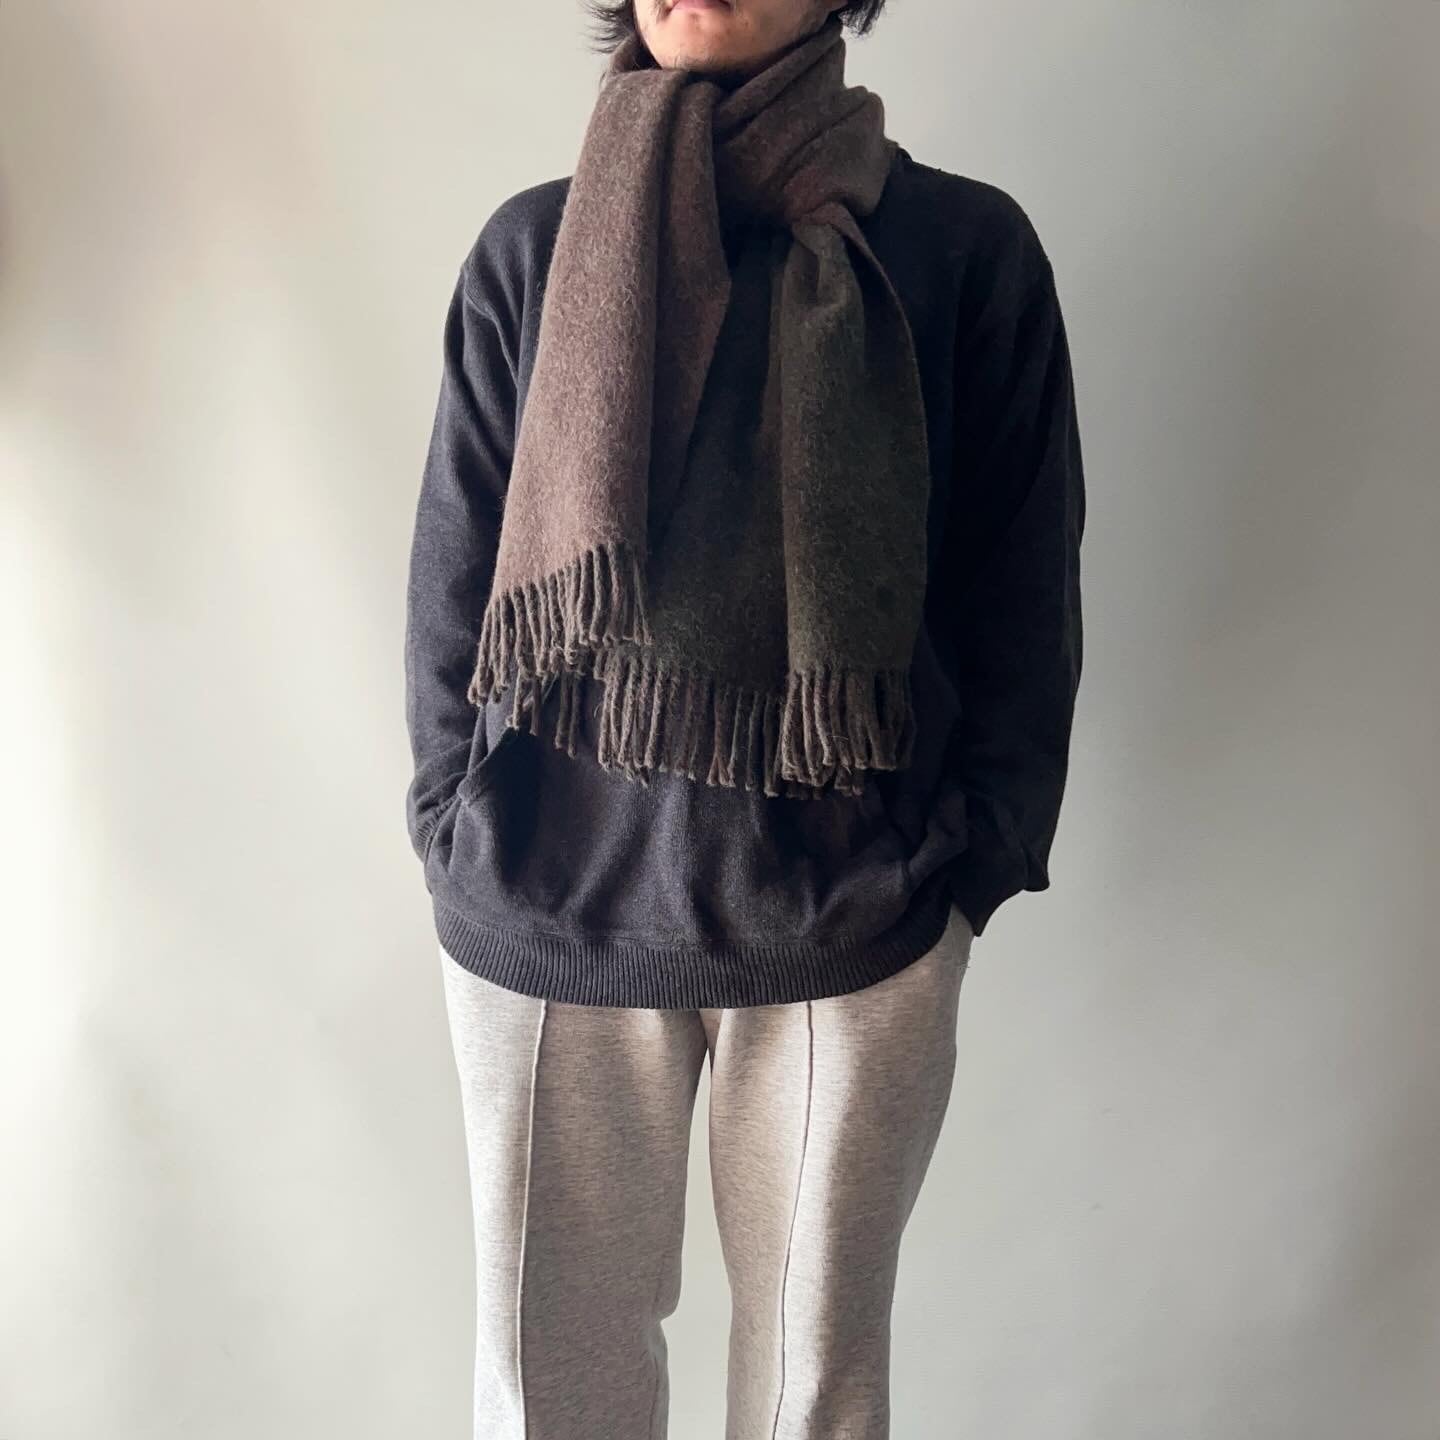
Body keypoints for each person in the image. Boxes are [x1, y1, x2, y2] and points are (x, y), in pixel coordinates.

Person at [402, 0, 1085, 1434]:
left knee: (810, 1401)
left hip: (853, 916)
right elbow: (457, 575)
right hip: (546, 902)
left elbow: (1021, 586)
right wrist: (452, 822)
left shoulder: (961, 251)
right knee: (548, 1400)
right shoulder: (535, 248)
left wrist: (965, 867)